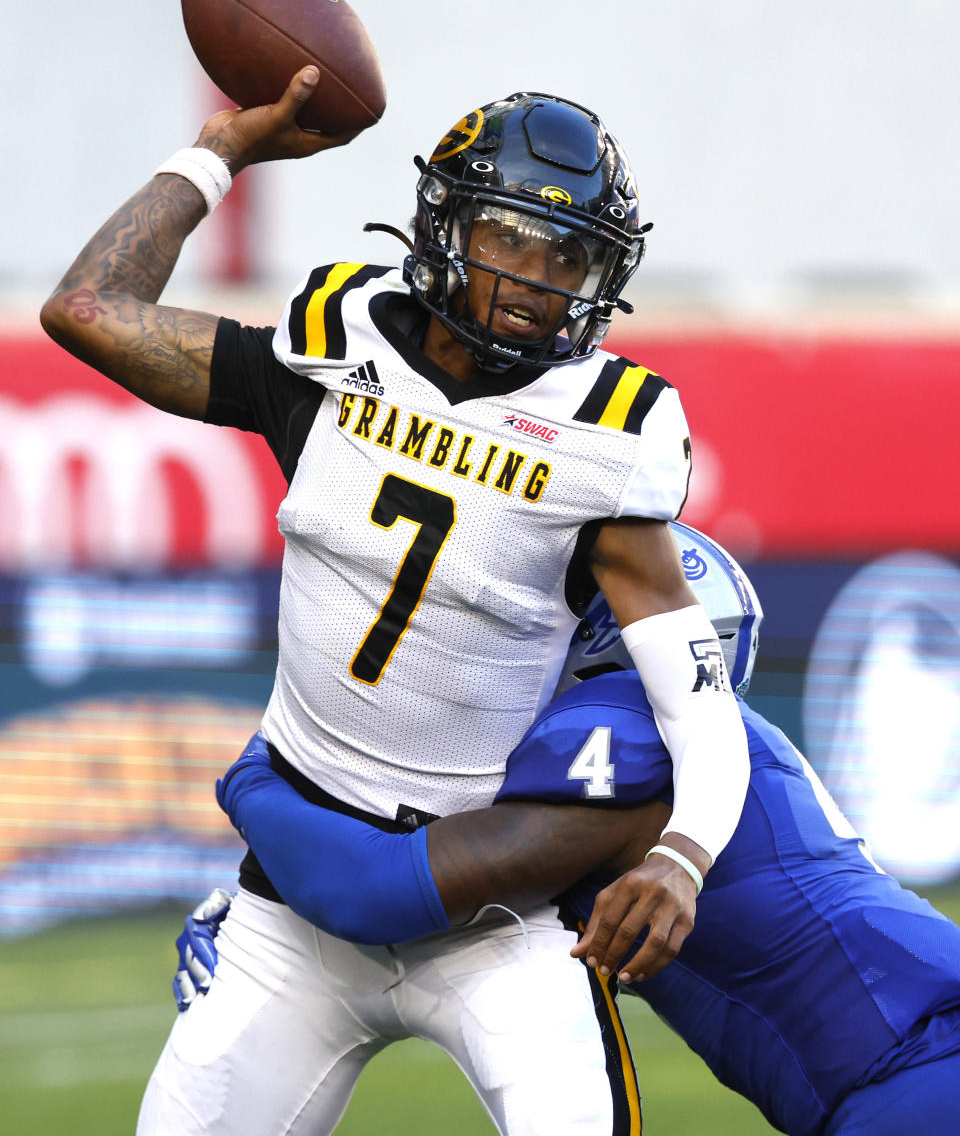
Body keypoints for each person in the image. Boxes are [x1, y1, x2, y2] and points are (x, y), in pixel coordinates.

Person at [41, 70, 751, 1134]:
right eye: (513, 237)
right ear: (448, 225)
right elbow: (87, 312)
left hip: (493, 915)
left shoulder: (608, 435)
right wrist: (218, 153)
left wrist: (682, 859)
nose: (538, 278)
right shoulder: (337, 346)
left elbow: (703, 714)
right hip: (292, 906)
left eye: (571, 257)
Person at [178, 522, 960, 1136]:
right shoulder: (693, 756)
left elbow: (380, 890)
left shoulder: (626, 721)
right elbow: (426, 828)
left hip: (917, 1072)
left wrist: (252, 777)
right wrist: (260, 903)